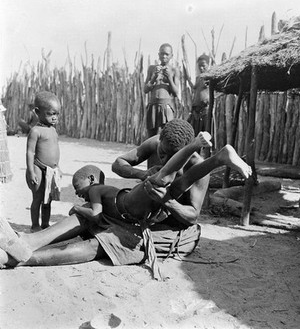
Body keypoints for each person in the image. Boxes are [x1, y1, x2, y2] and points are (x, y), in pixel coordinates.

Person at [0, 131, 251, 271]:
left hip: (160, 220)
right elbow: (118, 164)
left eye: (170, 156)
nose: (161, 156)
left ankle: (23, 258)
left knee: (105, 241)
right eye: (160, 152)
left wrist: (167, 202)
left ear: (187, 153)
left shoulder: (195, 169)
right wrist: (142, 173)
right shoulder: (155, 142)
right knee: (161, 181)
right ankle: (27, 242)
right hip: (136, 205)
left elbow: (192, 216)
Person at [25, 91, 61, 232]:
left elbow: (54, 150)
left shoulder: (53, 130)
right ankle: (35, 225)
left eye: (57, 114)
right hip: (38, 168)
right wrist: (31, 171)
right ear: (37, 112)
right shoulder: (35, 131)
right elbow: (30, 152)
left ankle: (45, 224)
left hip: (51, 170)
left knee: (48, 199)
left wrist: (58, 167)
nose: (54, 118)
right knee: (38, 198)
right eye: (51, 114)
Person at [144, 43, 180, 138]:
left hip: (166, 107)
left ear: (171, 56)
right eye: (162, 54)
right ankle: (151, 153)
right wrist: (153, 78)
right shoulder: (152, 68)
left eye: (167, 54)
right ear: (158, 54)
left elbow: (176, 93)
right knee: (150, 137)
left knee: (167, 136)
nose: (164, 56)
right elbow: (145, 89)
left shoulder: (174, 70)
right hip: (153, 106)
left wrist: (169, 79)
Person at [187, 54, 210, 135]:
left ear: (208, 64)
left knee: (206, 134)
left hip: (206, 110)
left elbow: (218, 92)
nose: (201, 68)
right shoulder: (198, 78)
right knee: (196, 134)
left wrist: (208, 100)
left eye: (203, 66)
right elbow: (196, 93)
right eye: (199, 66)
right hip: (196, 111)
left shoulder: (210, 77)